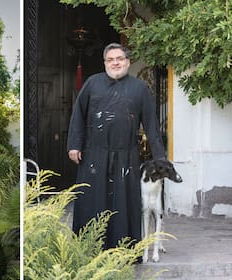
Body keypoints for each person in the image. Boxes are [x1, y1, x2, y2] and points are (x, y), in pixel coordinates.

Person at [67, 42, 166, 249]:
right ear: (105, 63)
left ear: (128, 62)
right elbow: (78, 114)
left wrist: (159, 158)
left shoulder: (140, 89)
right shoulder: (92, 84)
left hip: (126, 156)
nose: (115, 63)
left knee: (124, 205)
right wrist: (74, 145)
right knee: (92, 201)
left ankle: (124, 250)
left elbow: (151, 124)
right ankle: (89, 248)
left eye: (119, 59)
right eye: (110, 59)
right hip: (94, 154)